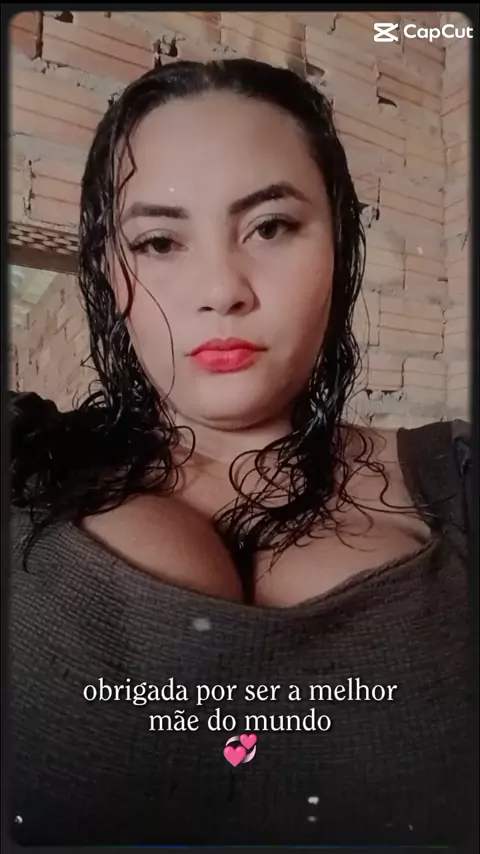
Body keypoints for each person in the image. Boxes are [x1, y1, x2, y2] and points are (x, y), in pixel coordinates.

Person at [8, 58, 471, 846]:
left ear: (340, 245)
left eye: (271, 227)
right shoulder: (25, 460)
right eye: (160, 241)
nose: (221, 289)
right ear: (111, 273)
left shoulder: (457, 475)